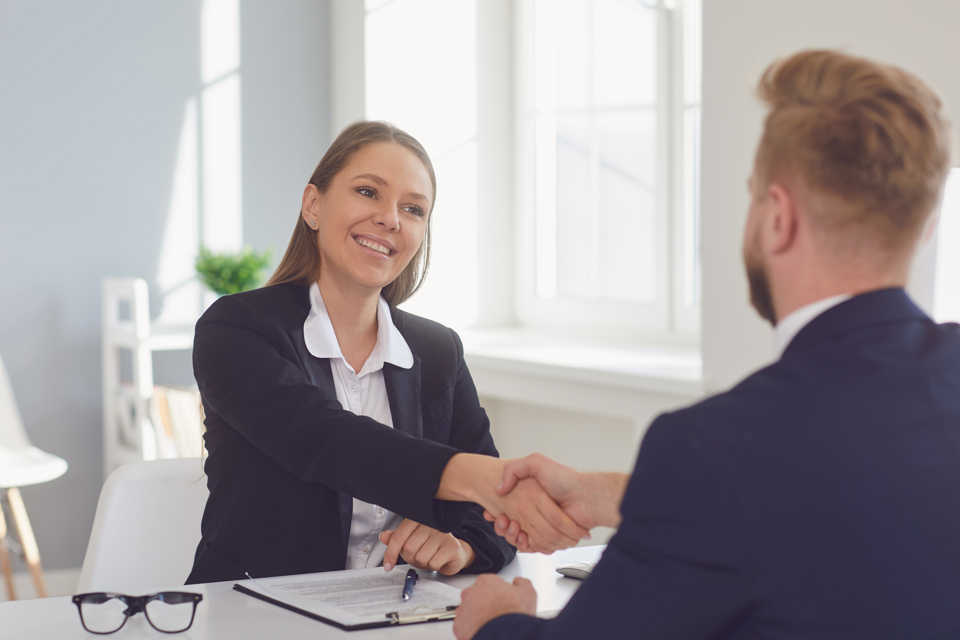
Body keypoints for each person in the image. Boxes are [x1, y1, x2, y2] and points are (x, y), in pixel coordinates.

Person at [454, 49, 960, 639]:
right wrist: (628, 497)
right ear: (924, 224)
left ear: (777, 219)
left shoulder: (709, 447)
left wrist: (494, 621)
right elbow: (858, 503)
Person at [186, 121, 586, 585]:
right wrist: (485, 479)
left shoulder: (438, 351)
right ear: (313, 206)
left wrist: (462, 545)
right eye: (368, 192)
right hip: (253, 609)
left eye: (413, 209)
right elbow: (328, 442)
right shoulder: (235, 328)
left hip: (392, 612)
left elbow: (488, 515)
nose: (391, 218)